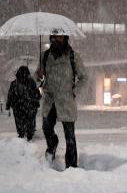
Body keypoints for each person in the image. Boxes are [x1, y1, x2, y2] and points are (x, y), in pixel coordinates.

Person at [36, 35, 88, 169]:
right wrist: (38, 76)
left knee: (69, 135)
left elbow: (84, 77)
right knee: (46, 128)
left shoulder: (73, 56)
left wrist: (74, 92)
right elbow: (38, 79)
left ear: (65, 39)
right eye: (53, 38)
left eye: (59, 38)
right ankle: (52, 144)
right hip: (50, 100)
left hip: (66, 101)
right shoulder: (45, 56)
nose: (55, 40)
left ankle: (71, 165)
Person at [6, 66, 40, 141]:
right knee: (30, 120)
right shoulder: (32, 82)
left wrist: (8, 105)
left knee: (19, 121)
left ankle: (21, 133)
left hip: (18, 107)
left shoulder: (14, 83)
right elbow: (37, 94)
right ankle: (29, 133)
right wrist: (36, 101)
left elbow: (10, 95)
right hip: (30, 106)